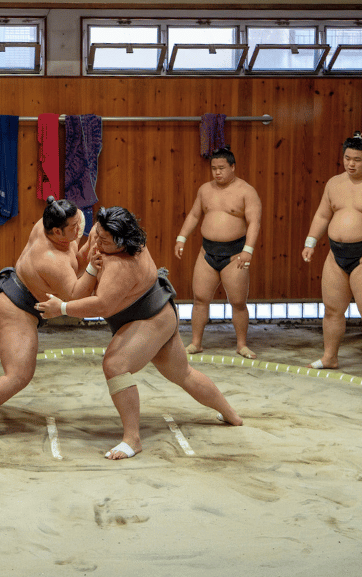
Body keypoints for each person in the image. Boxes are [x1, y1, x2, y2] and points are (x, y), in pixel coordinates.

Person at [37, 206, 243, 460]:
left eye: (104, 241)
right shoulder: (102, 234)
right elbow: (80, 266)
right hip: (147, 315)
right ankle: (231, 414)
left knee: (115, 364)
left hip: (152, 317)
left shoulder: (124, 264)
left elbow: (101, 305)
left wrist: (63, 308)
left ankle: (132, 439)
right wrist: (80, 267)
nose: (97, 242)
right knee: (182, 373)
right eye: (97, 234)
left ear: (122, 244)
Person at [0, 197, 100, 443]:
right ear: (56, 231)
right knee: (19, 375)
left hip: (2, 294)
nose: (78, 229)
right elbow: (75, 298)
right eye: (73, 226)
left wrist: (90, 244)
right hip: (16, 311)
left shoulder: (46, 223)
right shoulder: (53, 261)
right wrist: (93, 268)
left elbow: (76, 256)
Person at [301, 132, 362, 381]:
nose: (351, 164)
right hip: (336, 253)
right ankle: (329, 357)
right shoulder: (334, 183)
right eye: (347, 158)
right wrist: (311, 242)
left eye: (357, 159)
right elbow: (323, 215)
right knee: (332, 309)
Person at [174, 147, 262, 359]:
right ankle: (196, 343)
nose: (217, 172)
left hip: (234, 254)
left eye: (222, 168)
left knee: (238, 302)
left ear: (233, 167)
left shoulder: (246, 191)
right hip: (207, 252)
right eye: (214, 168)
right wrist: (181, 237)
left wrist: (248, 250)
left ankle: (241, 344)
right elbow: (194, 215)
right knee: (200, 299)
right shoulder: (205, 190)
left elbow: (254, 223)